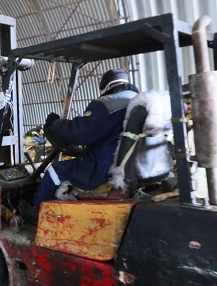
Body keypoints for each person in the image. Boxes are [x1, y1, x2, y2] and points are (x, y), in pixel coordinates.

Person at [22, 68, 139, 220]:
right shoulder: (137, 100)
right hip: (126, 167)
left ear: (107, 87)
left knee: (55, 171)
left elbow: (81, 132)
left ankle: (36, 214)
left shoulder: (109, 103)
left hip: (103, 170)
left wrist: (55, 124)